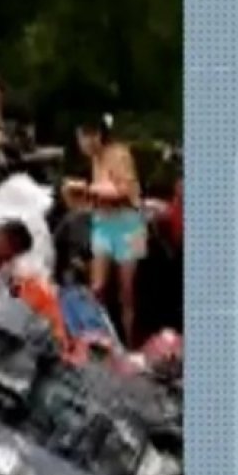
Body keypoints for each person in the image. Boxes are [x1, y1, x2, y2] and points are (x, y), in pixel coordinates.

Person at [77, 116, 146, 347]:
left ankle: (130, 342)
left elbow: (124, 191)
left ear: (97, 136)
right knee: (97, 288)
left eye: (85, 137)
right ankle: (100, 339)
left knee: (128, 291)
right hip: (103, 224)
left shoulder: (119, 154)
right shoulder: (94, 160)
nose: (82, 143)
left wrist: (92, 190)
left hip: (131, 225)